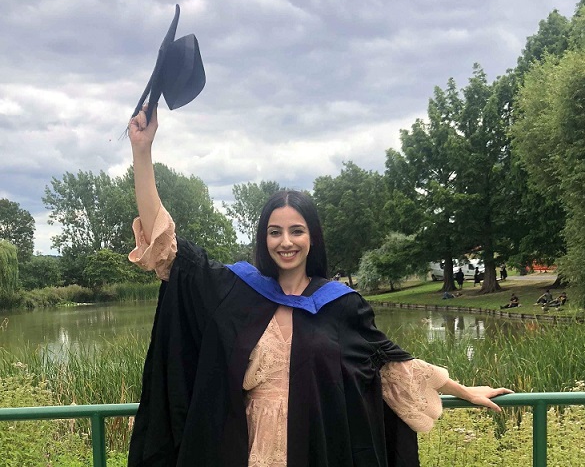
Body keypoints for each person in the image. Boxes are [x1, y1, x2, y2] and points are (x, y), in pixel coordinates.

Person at [126, 104, 512, 467]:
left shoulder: (340, 305)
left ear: (313, 238)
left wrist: (465, 391)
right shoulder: (237, 290)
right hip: (246, 448)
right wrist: (142, 151)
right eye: (275, 232)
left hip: (316, 448)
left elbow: (389, 364)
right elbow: (167, 250)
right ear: (264, 239)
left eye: (297, 231)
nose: (286, 242)